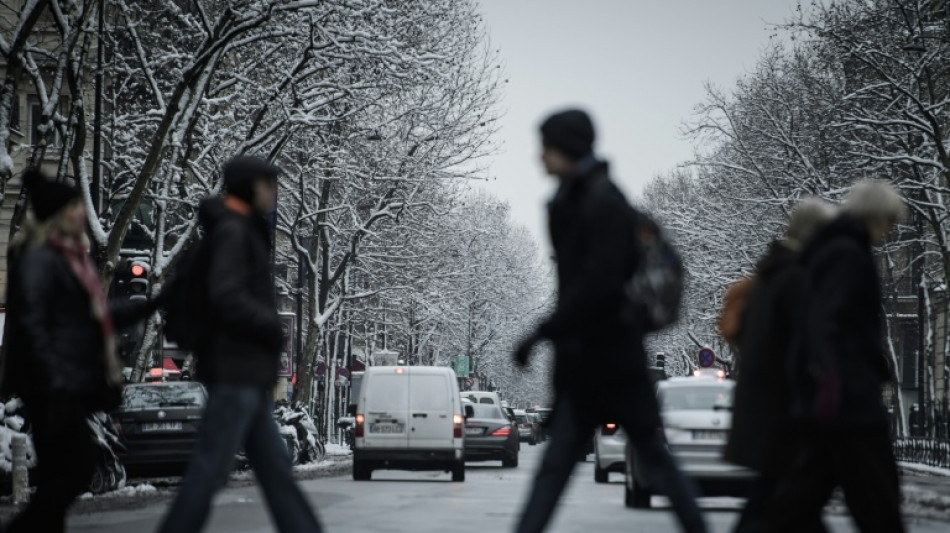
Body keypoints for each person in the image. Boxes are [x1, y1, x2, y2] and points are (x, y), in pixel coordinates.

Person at [513, 109, 706, 533]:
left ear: (565, 149)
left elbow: (598, 283)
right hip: (591, 362)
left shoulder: (601, 202)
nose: (539, 157)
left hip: (612, 361)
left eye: (545, 146)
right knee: (564, 467)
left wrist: (542, 332)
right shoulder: (578, 198)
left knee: (644, 459)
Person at [157, 156, 322, 533]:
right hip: (235, 372)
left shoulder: (237, 227)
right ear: (250, 187)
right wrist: (269, 325)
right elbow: (225, 293)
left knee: (275, 470)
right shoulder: (234, 230)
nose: (274, 190)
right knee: (210, 470)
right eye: (268, 184)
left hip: (244, 373)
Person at [0, 168, 162, 533]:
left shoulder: (66, 259)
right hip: (53, 387)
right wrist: (53, 383)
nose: (81, 214)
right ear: (58, 216)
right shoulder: (43, 260)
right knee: (74, 471)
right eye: (74, 207)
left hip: (60, 384)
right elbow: (39, 328)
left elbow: (96, 316)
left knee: (67, 474)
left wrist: (151, 304)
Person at [750, 181, 907, 533]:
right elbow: (825, 320)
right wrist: (833, 378)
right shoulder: (848, 253)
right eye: (889, 222)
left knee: (801, 499)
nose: (890, 231)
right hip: (849, 398)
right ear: (876, 216)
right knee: (877, 496)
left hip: (835, 397)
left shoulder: (833, 248)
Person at [723, 198, 835, 533]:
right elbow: (809, 342)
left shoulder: (769, 274)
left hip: (766, 407)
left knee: (782, 497)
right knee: (786, 495)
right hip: (784, 410)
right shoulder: (795, 278)